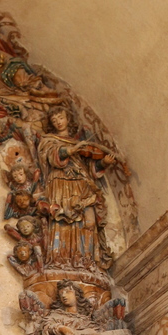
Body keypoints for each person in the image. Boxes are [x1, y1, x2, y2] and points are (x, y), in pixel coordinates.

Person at [37, 106, 116, 269]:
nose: (58, 122)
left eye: (61, 118)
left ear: (68, 119)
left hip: (81, 184)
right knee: (62, 219)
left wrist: (103, 163)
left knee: (89, 221)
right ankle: (60, 259)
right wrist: (70, 150)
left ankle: (86, 260)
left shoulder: (81, 144)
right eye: (54, 120)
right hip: (61, 183)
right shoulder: (49, 140)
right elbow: (50, 155)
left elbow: (90, 168)